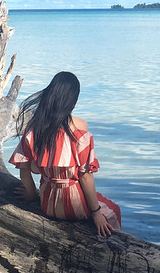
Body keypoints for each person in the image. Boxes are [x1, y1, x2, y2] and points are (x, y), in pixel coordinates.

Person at [9, 71, 121, 237]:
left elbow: (24, 169)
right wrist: (96, 213)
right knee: (113, 210)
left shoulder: (34, 129)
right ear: (72, 100)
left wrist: (32, 195)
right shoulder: (80, 129)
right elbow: (85, 176)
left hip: (47, 204)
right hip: (75, 206)